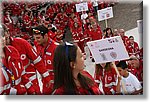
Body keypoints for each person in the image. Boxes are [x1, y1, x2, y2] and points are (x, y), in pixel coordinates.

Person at [2, 24, 51, 94]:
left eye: (5, 37)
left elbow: (37, 61)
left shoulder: (22, 43)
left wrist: (47, 78)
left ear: (8, 33)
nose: (4, 41)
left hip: (30, 78)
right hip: (14, 86)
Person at [33, 25, 58, 94]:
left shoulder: (56, 48)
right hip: (45, 80)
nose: (36, 40)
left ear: (46, 35)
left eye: (38, 38)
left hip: (56, 81)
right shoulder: (37, 44)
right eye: (35, 38)